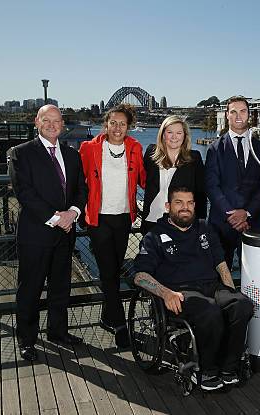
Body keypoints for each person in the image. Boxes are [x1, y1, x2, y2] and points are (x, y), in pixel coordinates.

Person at [133, 187, 253, 391]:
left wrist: (231, 291)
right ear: (168, 207)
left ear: (195, 206)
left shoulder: (204, 228)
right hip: (180, 291)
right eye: (179, 203)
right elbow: (140, 276)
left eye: (189, 203)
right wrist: (166, 293)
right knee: (210, 311)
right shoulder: (154, 236)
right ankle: (206, 370)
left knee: (242, 305)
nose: (185, 208)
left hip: (211, 286)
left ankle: (229, 367)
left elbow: (221, 264)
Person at [9, 105, 88, 361]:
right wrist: (58, 218)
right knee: (30, 289)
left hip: (65, 234)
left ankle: (58, 332)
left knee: (60, 287)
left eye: (56, 121)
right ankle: (27, 339)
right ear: (37, 122)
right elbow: (25, 194)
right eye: (46, 120)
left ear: (62, 124)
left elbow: (80, 189)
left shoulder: (72, 155)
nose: (52, 125)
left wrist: (73, 213)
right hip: (36, 234)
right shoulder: (21, 154)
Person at [79, 103, 146, 348]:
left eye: (123, 124)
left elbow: (145, 179)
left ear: (129, 126)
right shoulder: (88, 148)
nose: (117, 128)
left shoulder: (135, 148)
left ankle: (107, 315)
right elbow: (79, 182)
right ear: (105, 124)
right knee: (108, 272)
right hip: (99, 219)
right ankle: (120, 326)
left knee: (115, 270)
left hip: (124, 218)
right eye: (113, 123)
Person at [205, 96, 260, 269]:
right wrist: (233, 215)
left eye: (243, 111)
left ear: (249, 114)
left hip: (252, 223)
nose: (238, 116)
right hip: (222, 224)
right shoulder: (215, 149)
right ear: (227, 115)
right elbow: (212, 186)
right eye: (233, 111)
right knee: (220, 277)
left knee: (254, 274)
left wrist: (247, 212)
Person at [141, 115, 206, 235]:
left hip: (181, 223)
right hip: (152, 221)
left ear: (185, 135)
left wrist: (200, 224)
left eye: (179, 133)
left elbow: (201, 194)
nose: (174, 137)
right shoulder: (151, 154)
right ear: (163, 134)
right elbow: (141, 179)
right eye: (169, 132)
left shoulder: (194, 158)